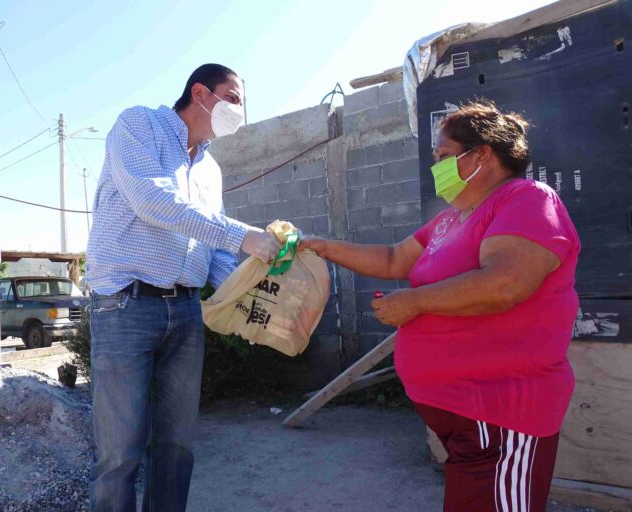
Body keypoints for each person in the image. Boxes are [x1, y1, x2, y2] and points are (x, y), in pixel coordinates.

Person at [302, 101, 580, 512]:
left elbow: (506, 283)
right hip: (463, 416)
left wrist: (412, 303)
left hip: (500, 414)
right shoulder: (453, 218)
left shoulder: (526, 198)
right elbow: (394, 258)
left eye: (444, 156)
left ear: (482, 154)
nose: (437, 167)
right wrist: (321, 246)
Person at [86, 63, 281, 511]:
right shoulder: (138, 125)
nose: (239, 110)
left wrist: (242, 290)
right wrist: (244, 235)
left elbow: (214, 251)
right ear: (199, 93)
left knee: (176, 447)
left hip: (186, 312)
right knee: (120, 449)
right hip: (125, 305)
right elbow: (155, 202)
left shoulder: (210, 169)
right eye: (232, 98)